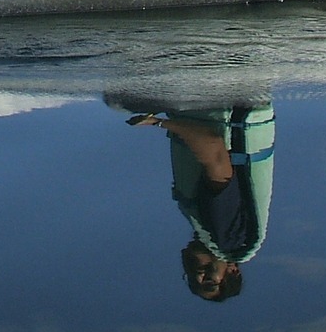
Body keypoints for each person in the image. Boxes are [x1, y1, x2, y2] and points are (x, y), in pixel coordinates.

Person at [113, 97, 276, 303]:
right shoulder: (227, 238)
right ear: (233, 271)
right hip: (220, 100)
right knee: (118, 102)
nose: (198, 275)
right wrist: (158, 123)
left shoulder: (212, 232)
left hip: (221, 102)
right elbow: (215, 151)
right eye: (210, 281)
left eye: (192, 280)